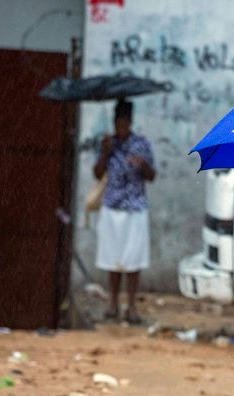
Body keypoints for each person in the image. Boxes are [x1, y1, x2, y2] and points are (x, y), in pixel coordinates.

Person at [93, 98, 156, 323]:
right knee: (112, 259)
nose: (121, 125)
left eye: (124, 121)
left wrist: (143, 165)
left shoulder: (142, 144)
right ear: (114, 121)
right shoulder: (108, 144)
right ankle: (112, 303)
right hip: (112, 206)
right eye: (118, 121)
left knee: (133, 260)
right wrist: (105, 153)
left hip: (135, 207)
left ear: (130, 122)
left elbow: (152, 176)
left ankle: (131, 306)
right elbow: (97, 173)